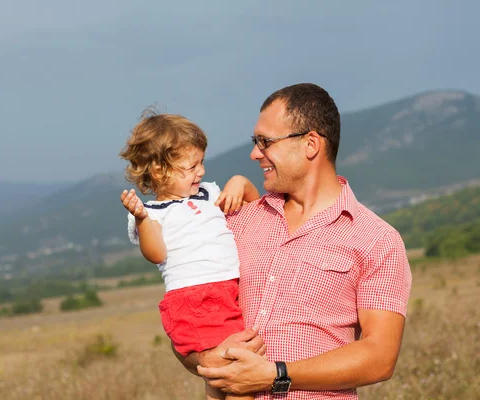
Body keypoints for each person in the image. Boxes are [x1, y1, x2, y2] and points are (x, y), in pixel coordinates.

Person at [176, 83, 413, 399]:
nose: (254, 153)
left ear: (311, 144)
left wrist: (275, 376)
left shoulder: (376, 240)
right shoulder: (234, 223)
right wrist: (208, 359)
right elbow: (186, 309)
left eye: (265, 142)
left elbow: (380, 357)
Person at [119, 110, 261, 400]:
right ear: (160, 171)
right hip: (194, 300)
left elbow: (258, 211)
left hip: (230, 294)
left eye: (202, 162)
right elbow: (156, 254)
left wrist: (241, 183)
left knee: (238, 370)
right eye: (193, 165)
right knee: (228, 370)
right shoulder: (153, 214)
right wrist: (142, 219)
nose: (202, 171)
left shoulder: (209, 194)